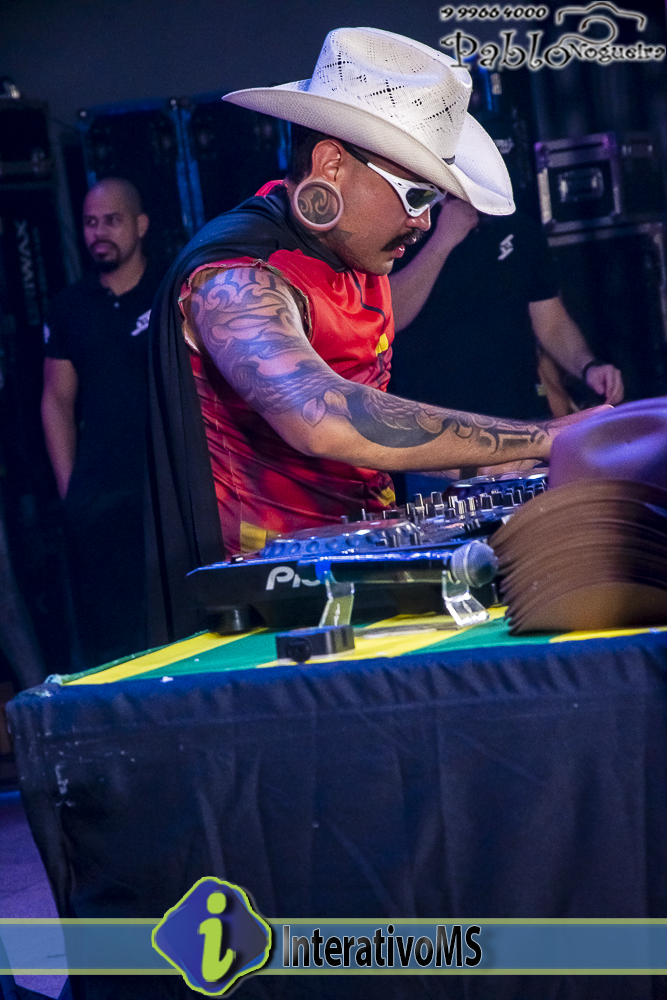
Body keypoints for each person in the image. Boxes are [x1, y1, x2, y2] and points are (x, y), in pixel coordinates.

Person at [146, 27, 607, 646]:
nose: (423, 220)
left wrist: (494, 463)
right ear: (331, 166)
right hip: (267, 614)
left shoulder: (358, 255)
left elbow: (367, 432)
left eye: (432, 200)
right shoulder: (237, 276)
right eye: (415, 195)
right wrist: (543, 436)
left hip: (352, 575)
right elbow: (321, 417)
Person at [41, 178, 161, 668]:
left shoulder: (170, 288)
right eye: (90, 223)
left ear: (140, 225)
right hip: (102, 497)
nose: (99, 232)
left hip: (163, 488)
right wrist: (72, 494)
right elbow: (55, 400)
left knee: (173, 621)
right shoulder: (70, 307)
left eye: (112, 221)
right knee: (111, 638)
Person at [389, 195, 624, 421]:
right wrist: (443, 239)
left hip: (519, 416)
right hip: (433, 421)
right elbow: (390, 316)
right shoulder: (409, 226)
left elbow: (552, 324)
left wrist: (588, 366)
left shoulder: (519, 228)